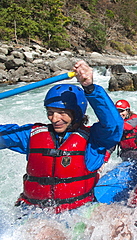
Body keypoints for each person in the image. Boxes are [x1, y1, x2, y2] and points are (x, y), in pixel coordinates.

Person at [0, 60, 123, 214]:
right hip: (33, 212)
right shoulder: (31, 135)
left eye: (62, 113)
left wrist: (90, 88)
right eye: (50, 112)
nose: (54, 118)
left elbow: (114, 125)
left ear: (77, 114)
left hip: (77, 212)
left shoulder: (93, 141)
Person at [111, 99, 137, 166]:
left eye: (122, 111)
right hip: (126, 152)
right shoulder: (115, 126)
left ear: (128, 111)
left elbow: (127, 127)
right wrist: (104, 160)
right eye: (117, 111)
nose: (120, 114)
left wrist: (110, 123)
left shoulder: (134, 118)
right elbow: (111, 145)